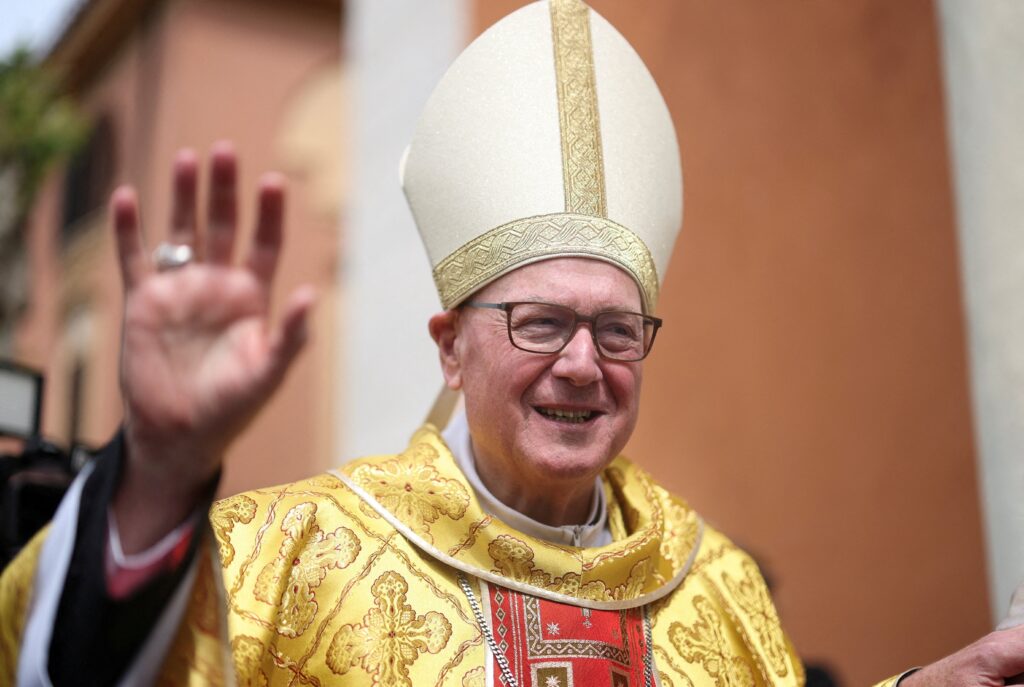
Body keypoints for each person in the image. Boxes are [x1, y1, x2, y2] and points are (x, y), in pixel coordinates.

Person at [2, 1, 1024, 685]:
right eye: (539, 323)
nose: (583, 364)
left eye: (618, 331)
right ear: (450, 347)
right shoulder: (289, 559)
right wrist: (160, 473)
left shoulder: (716, 582)